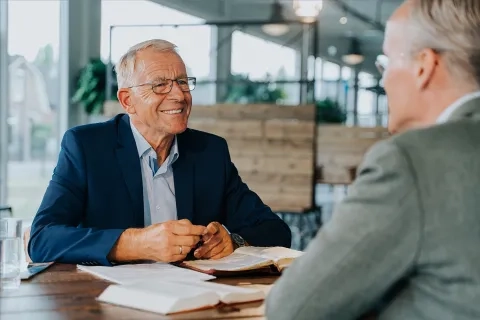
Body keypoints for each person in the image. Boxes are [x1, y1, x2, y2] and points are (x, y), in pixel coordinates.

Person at [266, 0, 480, 319]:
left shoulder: (411, 160)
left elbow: (294, 308)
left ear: (424, 66)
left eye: (386, 62)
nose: (383, 81)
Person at [28, 39, 291, 266]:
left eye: (182, 82)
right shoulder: (86, 147)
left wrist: (233, 241)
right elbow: (42, 239)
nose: (179, 95)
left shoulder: (210, 152)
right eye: (160, 85)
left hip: (192, 301)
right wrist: (134, 243)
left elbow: (275, 230)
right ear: (127, 100)